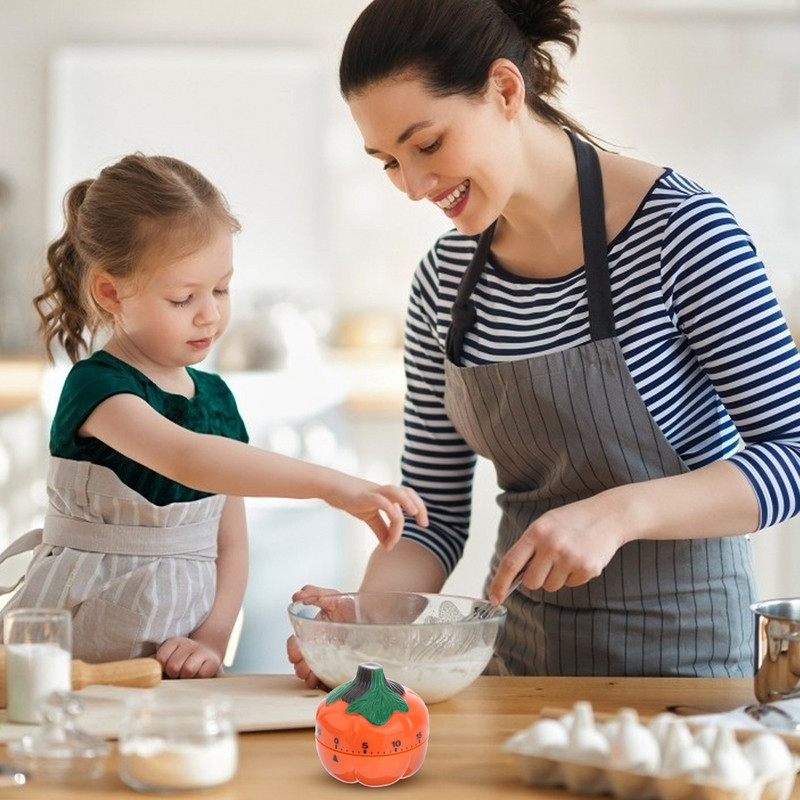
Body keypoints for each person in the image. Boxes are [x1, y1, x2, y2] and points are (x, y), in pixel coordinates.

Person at [289, 0, 800, 684]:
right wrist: (362, 624)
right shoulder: (444, 280)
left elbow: (791, 455)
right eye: (388, 162)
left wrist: (620, 513)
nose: (411, 187)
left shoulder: (682, 233)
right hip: (519, 670)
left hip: (687, 674)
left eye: (427, 145)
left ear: (505, 90)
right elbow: (433, 515)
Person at [0, 153, 427, 679]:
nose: (210, 314)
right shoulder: (98, 388)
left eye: (221, 289)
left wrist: (212, 637)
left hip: (176, 663)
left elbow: (232, 543)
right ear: (111, 292)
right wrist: (329, 485)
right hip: (73, 652)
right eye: (183, 298)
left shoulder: (217, 399)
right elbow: (187, 457)